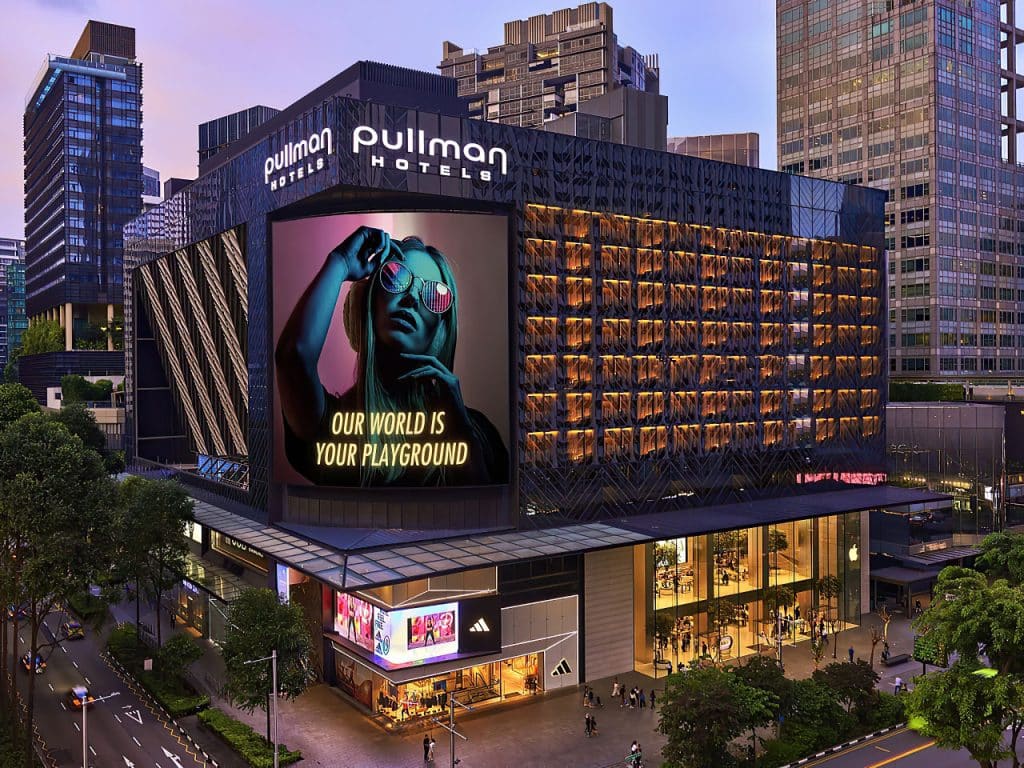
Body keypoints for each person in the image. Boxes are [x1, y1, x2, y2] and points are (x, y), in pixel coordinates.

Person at [277, 226, 509, 486]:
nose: (411, 297)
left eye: (434, 294)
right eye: (397, 277)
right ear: (370, 303)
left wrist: (463, 437)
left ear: (440, 330)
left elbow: (489, 515)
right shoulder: (335, 425)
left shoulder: (480, 433)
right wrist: (340, 261)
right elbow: (292, 357)